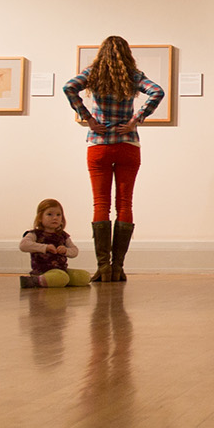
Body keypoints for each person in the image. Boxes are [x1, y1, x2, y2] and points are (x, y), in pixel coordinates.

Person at [63, 36, 164, 282]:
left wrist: (87, 118)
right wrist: (136, 119)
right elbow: (157, 91)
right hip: (128, 143)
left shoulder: (93, 73)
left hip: (99, 145)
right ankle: (118, 267)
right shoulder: (133, 75)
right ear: (127, 53)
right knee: (124, 204)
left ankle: (103, 267)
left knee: (100, 204)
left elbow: (69, 87)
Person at [19, 198, 90, 288]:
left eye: (58, 215)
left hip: (61, 270)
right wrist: (45, 247)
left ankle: (57, 281)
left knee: (84, 276)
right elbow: (23, 245)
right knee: (61, 277)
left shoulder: (63, 235)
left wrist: (66, 251)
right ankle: (36, 280)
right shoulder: (35, 234)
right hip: (43, 271)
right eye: (49, 214)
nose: (55, 218)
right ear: (40, 218)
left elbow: (75, 251)